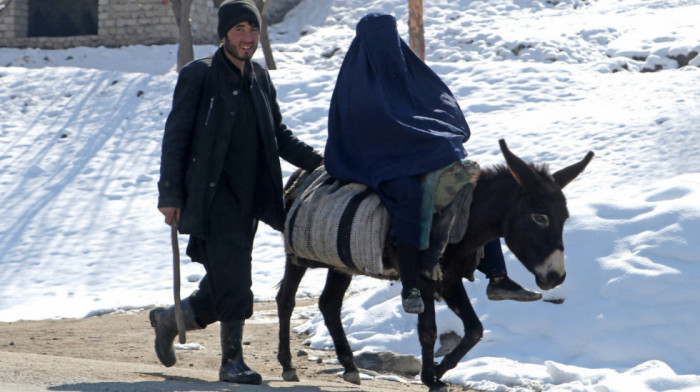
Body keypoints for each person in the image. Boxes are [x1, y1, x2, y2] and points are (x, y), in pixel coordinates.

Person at [150, 0, 323, 385]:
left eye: (253, 30)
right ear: (224, 33)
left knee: (222, 284)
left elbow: (279, 136)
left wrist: (322, 163)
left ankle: (168, 319)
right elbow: (176, 137)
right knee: (236, 279)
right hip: (211, 197)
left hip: (251, 198)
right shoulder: (200, 75)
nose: (247, 38)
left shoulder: (260, 77)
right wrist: (170, 194)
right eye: (240, 29)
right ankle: (232, 362)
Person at [324, 13, 538, 314]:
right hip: (376, 161)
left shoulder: (408, 72)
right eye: (377, 40)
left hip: (419, 154)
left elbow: (435, 105)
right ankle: (410, 285)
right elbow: (364, 127)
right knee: (408, 196)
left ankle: (498, 277)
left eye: (389, 38)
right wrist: (408, 142)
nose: (385, 47)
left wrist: (435, 138)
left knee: (472, 183)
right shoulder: (356, 81)